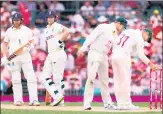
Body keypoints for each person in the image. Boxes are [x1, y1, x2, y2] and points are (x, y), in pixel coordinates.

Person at [77, 17, 127, 110]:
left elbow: (114, 48)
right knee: (91, 78)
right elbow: (91, 37)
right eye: (123, 26)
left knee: (104, 81)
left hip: (104, 56)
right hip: (95, 52)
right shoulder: (103, 27)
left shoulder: (116, 35)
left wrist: (111, 57)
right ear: (119, 23)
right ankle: (86, 103)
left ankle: (107, 103)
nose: (123, 29)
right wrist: (83, 48)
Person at [111, 28, 161, 110]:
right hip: (123, 57)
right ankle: (127, 104)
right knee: (125, 81)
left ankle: (120, 104)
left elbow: (122, 44)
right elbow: (140, 55)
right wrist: (150, 64)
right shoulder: (139, 37)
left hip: (114, 56)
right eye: (147, 39)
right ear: (146, 34)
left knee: (118, 82)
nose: (145, 41)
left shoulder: (127, 31)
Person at [1, 12, 40, 106]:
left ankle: (34, 100)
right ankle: (18, 100)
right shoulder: (9, 31)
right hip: (14, 59)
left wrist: (30, 46)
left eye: (17, 20)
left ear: (21, 20)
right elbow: (5, 44)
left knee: (31, 78)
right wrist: (4, 56)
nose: (15, 22)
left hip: (25, 57)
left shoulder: (27, 30)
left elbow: (33, 40)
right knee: (15, 80)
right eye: (14, 20)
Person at [40, 11, 70, 106]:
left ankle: (59, 100)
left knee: (57, 78)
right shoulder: (46, 30)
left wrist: (60, 40)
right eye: (48, 17)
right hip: (50, 54)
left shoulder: (57, 26)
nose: (49, 19)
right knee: (43, 78)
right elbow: (47, 43)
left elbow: (67, 31)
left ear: (55, 18)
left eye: (51, 17)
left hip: (58, 53)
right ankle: (58, 97)